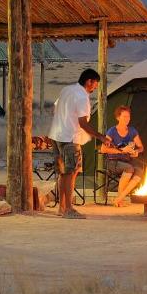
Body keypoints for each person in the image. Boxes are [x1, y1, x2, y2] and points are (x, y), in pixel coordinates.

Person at [48, 69, 112, 219]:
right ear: (89, 81)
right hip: (70, 138)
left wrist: (63, 120)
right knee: (71, 173)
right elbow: (82, 123)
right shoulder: (82, 96)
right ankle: (69, 209)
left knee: (64, 173)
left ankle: (62, 207)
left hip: (57, 135)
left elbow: (55, 108)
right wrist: (100, 137)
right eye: (95, 84)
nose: (95, 88)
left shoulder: (66, 90)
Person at [98, 105, 145, 207]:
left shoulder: (132, 131)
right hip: (113, 161)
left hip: (127, 161)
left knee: (140, 171)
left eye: (128, 117)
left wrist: (136, 151)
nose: (127, 119)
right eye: (124, 117)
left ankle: (119, 198)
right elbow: (103, 149)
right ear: (118, 118)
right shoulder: (112, 131)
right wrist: (121, 151)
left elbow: (141, 147)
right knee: (129, 168)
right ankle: (120, 199)